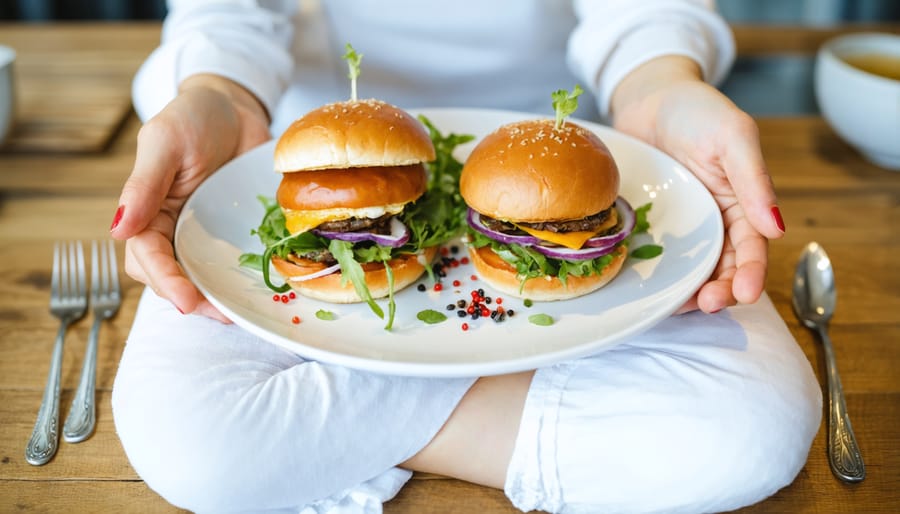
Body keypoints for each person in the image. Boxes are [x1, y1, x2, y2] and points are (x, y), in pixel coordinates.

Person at [109, 1, 820, 513]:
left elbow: (643, 13)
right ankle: (537, 383)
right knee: (183, 444)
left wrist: (665, 88)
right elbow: (228, 14)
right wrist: (215, 92)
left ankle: (340, 422)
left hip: (589, 127)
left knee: (765, 427)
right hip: (277, 141)